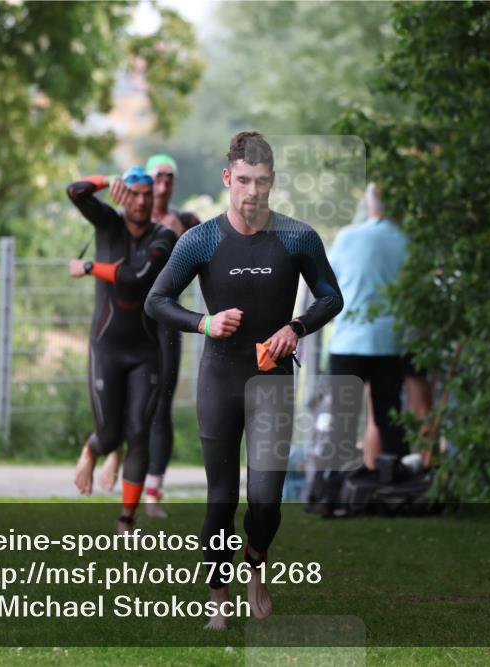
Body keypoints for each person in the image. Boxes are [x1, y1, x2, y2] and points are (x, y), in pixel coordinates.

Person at [146, 132, 342, 628]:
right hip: (220, 378)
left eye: (263, 181)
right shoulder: (202, 239)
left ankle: (256, 564)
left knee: (266, 502)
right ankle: (218, 602)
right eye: (245, 181)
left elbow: (330, 297)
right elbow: (157, 300)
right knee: (221, 498)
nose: (253, 191)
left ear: (272, 181)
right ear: (227, 179)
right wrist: (204, 323)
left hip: (273, 381)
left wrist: (295, 328)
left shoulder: (297, 237)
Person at [66, 166, 176, 534]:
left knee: (139, 431)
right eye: (134, 193)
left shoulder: (164, 236)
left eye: (147, 194)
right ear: (125, 194)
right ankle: (94, 449)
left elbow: (136, 276)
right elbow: (75, 191)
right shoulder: (108, 223)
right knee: (111, 434)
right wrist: (106, 178)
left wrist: (88, 266)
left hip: (146, 350)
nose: (142, 200)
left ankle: (126, 520)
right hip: (106, 348)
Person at [97, 154, 202, 517]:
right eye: (158, 176)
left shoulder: (185, 220)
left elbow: (209, 256)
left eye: (169, 177)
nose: (163, 184)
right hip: (129, 322)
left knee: (159, 407)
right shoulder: (130, 218)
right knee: (122, 401)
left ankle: (154, 488)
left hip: (166, 320)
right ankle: (115, 452)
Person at [327, 182, 409, 469]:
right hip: (390, 341)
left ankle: (335, 488)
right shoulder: (407, 242)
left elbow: (327, 281)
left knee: (342, 421)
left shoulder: (348, 238)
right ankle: (395, 485)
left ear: (368, 202)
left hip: (349, 341)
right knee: (390, 418)